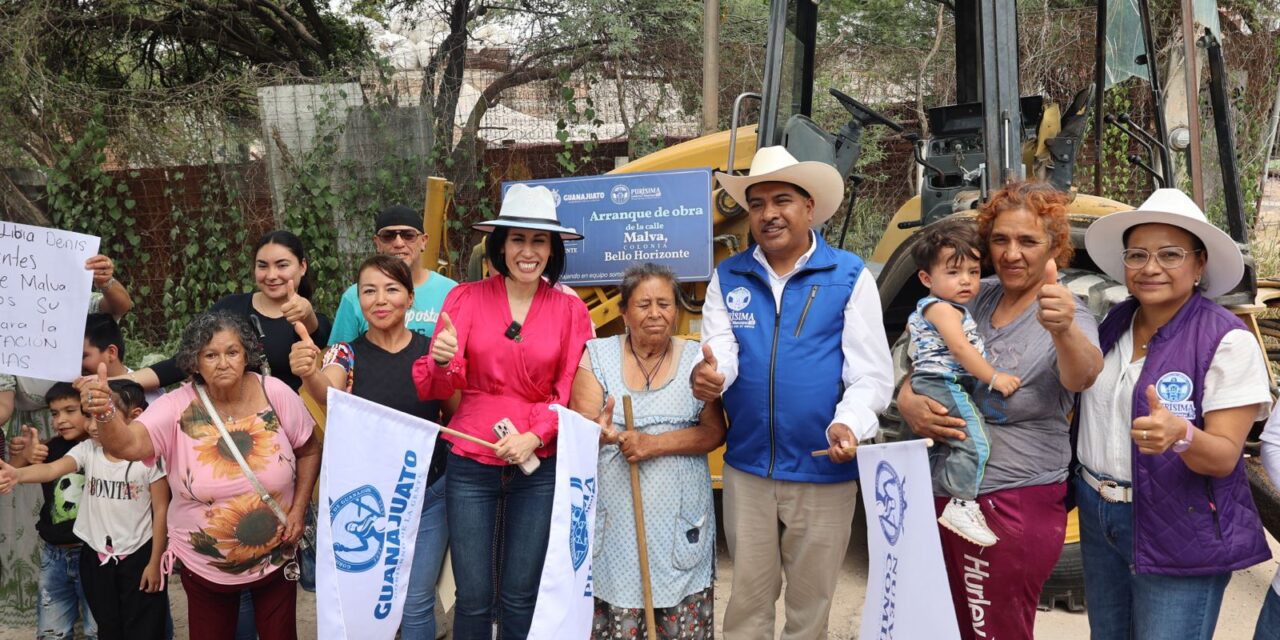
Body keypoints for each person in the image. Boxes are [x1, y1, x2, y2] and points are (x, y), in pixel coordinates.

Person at [692, 146, 894, 640]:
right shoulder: (729, 275)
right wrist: (713, 377)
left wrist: (849, 423)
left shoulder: (849, 276)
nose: (768, 214)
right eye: (757, 204)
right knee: (747, 606)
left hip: (823, 469)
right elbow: (722, 347)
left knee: (811, 610)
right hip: (748, 468)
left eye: (781, 200)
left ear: (809, 208)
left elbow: (871, 376)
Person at [898, 181, 1103, 640]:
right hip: (950, 491)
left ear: (1054, 245)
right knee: (951, 625)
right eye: (1000, 240)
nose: (1012, 254)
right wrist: (907, 394)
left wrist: (1064, 330)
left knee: (995, 630)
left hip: (1013, 500)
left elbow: (1083, 375)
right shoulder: (977, 294)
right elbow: (929, 357)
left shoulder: (1065, 310)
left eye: (1028, 241)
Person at [1075, 189, 1271, 639]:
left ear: (1199, 264)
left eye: (1170, 254)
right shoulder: (1114, 323)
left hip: (1181, 523)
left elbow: (1223, 457)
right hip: (1098, 511)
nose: (1150, 267)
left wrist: (1183, 434)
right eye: (1137, 254)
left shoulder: (1227, 339)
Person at [413, 183, 593, 640]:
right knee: (472, 596)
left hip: (539, 462)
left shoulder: (571, 310)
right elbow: (441, 386)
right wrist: (440, 360)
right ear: (499, 244)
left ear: (552, 249)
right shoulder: (465, 299)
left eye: (539, 240)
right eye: (517, 239)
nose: (528, 251)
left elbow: (568, 390)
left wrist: (535, 435)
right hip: (471, 458)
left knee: (520, 592)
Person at [79, 311, 320, 640]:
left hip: (277, 557)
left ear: (246, 354)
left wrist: (298, 509)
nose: (223, 363)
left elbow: (309, 449)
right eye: (211, 355)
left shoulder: (274, 392)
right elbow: (128, 445)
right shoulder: (176, 407)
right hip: (205, 568)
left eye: (232, 352)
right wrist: (106, 412)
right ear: (194, 361)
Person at [291, 254, 452, 639]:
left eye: (392, 289)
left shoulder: (432, 351)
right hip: (367, 501)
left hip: (428, 494)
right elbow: (329, 392)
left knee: (415, 604)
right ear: (358, 299)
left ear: (411, 298)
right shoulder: (346, 353)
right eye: (369, 291)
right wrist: (311, 372)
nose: (380, 300)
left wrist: (450, 368)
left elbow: (457, 412)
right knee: (367, 601)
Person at [570, 263, 726, 639]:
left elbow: (713, 432)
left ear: (676, 310)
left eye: (665, 303)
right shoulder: (597, 355)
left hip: (679, 520)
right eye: (643, 304)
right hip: (617, 524)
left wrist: (652, 444)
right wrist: (602, 433)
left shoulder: (695, 360)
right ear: (624, 312)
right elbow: (583, 426)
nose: (655, 313)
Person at [0, 380, 169, 640]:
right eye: (90, 416)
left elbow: (161, 511)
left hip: (139, 555)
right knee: (106, 626)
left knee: (144, 625)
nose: (93, 425)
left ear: (135, 417)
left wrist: (155, 561)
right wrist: (17, 474)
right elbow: (51, 469)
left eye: (103, 416)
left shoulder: (149, 458)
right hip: (96, 556)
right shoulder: (88, 450)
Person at [906, 220, 1020, 547]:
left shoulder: (949, 307)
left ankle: (930, 497)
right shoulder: (941, 309)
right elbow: (959, 349)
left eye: (973, 271)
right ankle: (961, 503)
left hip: (942, 379)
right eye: (954, 273)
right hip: (943, 380)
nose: (967, 280)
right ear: (927, 279)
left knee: (948, 438)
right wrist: (994, 376)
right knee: (977, 440)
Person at [131, 230, 332, 392]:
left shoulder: (315, 322)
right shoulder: (230, 308)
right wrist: (124, 381)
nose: (271, 275)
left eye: (282, 265)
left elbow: (317, 334)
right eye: (262, 266)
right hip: (234, 423)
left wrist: (307, 313)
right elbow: (182, 363)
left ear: (302, 266)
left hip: (293, 428)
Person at [9, 382, 98, 639]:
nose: (61, 420)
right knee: (51, 630)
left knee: (98, 628)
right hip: (54, 555)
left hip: (93, 553)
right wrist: (24, 455)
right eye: (55, 413)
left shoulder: (105, 449)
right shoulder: (49, 449)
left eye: (70, 410)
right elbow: (13, 473)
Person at [329, 204, 458, 345]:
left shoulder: (451, 292)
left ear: (424, 241)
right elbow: (337, 356)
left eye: (408, 235)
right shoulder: (355, 295)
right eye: (388, 236)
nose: (398, 243)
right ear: (377, 243)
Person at [81, 314, 164, 405]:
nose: (77, 364)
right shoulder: (77, 389)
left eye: (83, 357)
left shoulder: (150, 396)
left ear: (111, 353)